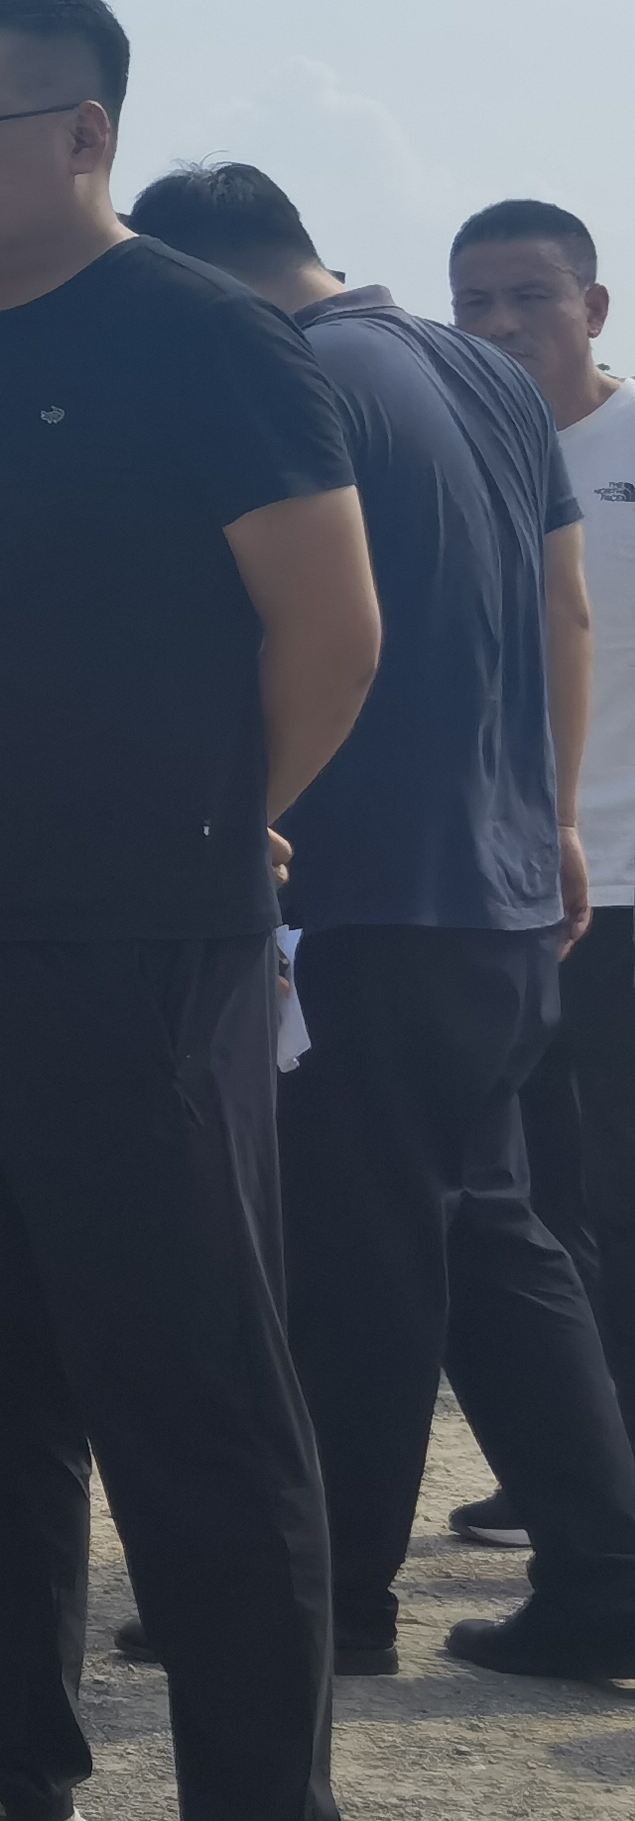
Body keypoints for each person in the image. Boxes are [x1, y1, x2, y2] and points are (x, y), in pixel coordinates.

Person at [0, 0, 375, 1821]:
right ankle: (6, 1789)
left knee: (194, 1400)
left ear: (84, 135)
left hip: (140, 953)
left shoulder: (205, 342)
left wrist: (206, 825)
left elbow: (332, 632)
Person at [110, 164, 635, 1687]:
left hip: (362, 887)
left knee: (354, 1259)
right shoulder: (485, 377)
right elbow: (566, 608)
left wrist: (226, 820)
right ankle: (604, 1575)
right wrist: (546, 818)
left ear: (194, 282)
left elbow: (286, 628)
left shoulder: (284, 375)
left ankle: (325, 1601)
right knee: (490, 1235)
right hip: (496, 883)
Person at [451, 194, 635, 1514]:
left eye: (530, 296)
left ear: (594, 306)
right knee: (528, 1199)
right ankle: (576, 1473)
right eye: (476, 303)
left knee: (621, 1195)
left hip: (627, 882)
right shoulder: (458, 453)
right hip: (506, 888)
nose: (503, 324)